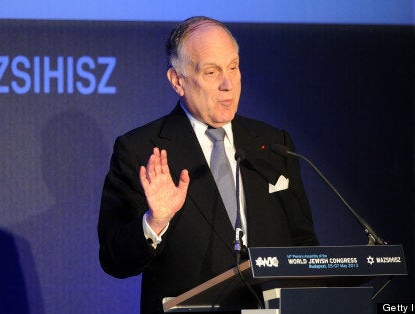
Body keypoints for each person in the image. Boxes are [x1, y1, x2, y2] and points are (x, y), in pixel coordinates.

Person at [97, 16, 319, 313]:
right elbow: (115, 261)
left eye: (233, 67)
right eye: (211, 72)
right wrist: (155, 222)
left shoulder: (273, 143)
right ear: (178, 81)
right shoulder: (140, 150)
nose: (228, 84)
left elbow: (303, 243)